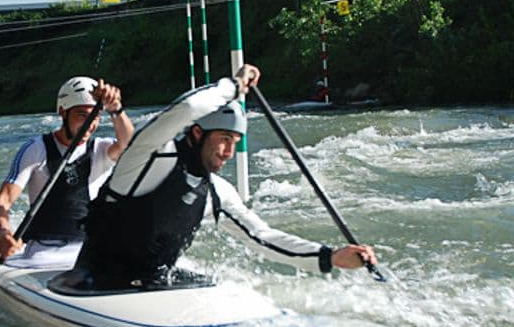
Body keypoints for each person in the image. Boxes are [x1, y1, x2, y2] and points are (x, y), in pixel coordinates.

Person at [55, 64, 376, 289]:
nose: (228, 151)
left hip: (155, 283)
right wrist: (234, 86)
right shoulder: (147, 156)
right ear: (196, 134)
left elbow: (261, 237)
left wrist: (331, 257)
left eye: (234, 142)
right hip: (92, 282)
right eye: (223, 138)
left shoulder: (216, 192)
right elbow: (185, 108)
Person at [0, 76, 134, 269]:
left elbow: (131, 147)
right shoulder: (35, 149)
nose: (90, 124)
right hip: (43, 253)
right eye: (82, 115)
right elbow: (2, 201)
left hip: (91, 248)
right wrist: (3, 234)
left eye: (96, 116)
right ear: (62, 112)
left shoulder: (101, 149)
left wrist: (115, 108)